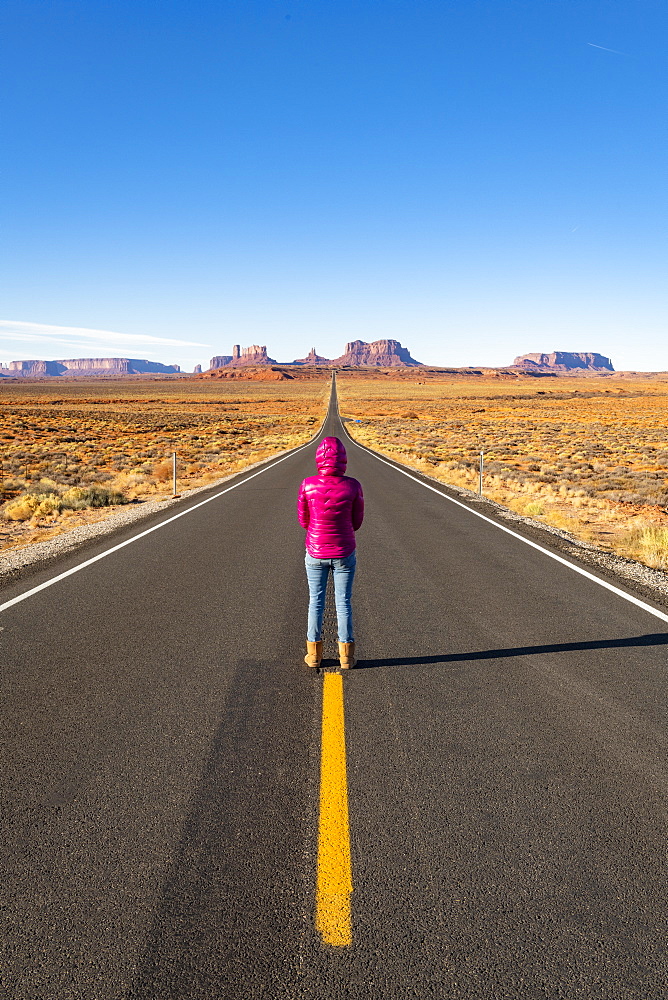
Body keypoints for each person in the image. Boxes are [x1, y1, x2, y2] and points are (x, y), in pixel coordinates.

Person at [297, 436, 364, 670]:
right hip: (345, 550)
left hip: (315, 551)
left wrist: (317, 531)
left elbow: (303, 520)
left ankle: (314, 654)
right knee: (343, 602)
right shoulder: (353, 485)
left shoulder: (307, 484)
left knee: (315, 601)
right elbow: (357, 522)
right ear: (343, 459)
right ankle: (346, 656)